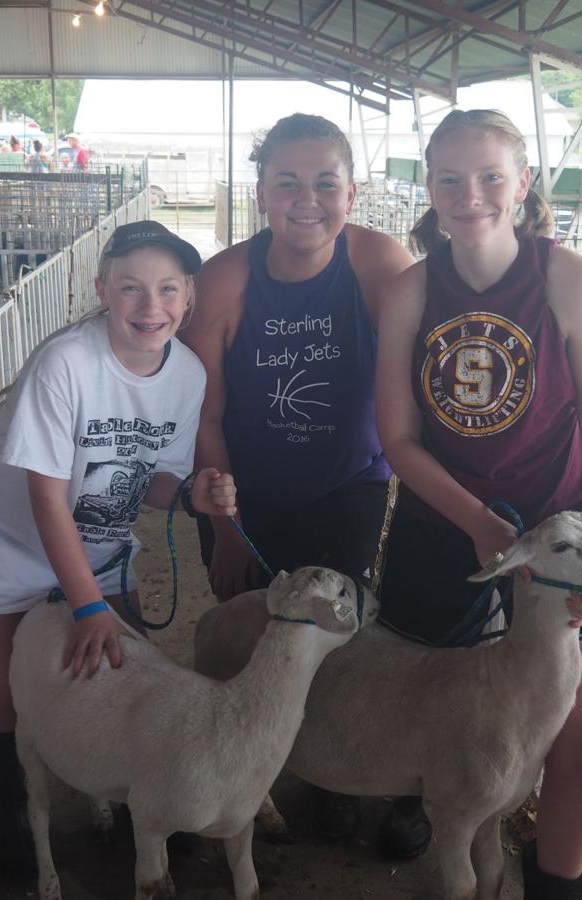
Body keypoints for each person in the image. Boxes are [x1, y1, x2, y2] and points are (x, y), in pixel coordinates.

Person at [374, 108, 582, 899]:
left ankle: (558, 879)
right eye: (450, 178)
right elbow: (398, 438)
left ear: (522, 185)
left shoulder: (569, 279)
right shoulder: (412, 290)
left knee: (581, 716)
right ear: (430, 189)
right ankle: (423, 799)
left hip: (561, 531)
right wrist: (478, 523)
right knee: (417, 679)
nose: (471, 193)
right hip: (445, 518)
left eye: (490, 176)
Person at [0, 220, 237, 882]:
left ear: (188, 296)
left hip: (96, 527)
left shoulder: (186, 373)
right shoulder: (68, 363)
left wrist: (195, 494)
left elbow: (155, 478)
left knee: (125, 664)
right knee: (13, 679)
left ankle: (139, 802)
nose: (150, 306)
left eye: (168, 289)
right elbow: (45, 501)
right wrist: (87, 607)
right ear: (102, 289)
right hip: (8, 527)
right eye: (131, 288)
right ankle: (15, 812)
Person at [182, 112, 415, 852]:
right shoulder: (226, 278)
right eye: (287, 182)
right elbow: (205, 411)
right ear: (260, 193)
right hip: (244, 492)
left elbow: (420, 372)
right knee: (252, 624)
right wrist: (223, 525)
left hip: (347, 482)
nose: (305, 199)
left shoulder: (380, 265)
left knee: (331, 634)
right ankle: (242, 772)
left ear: (352, 192)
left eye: (325, 183)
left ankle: (328, 775)